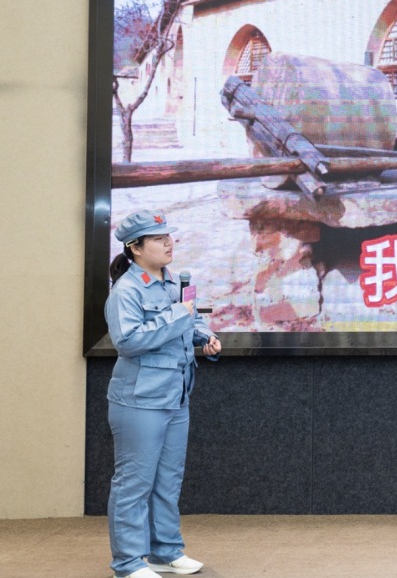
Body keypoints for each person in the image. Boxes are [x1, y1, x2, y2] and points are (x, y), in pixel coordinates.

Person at [105, 210, 221, 578]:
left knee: (168, 480)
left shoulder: (175, 282)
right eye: (158, 239)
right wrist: (177, 315)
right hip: (140, 400)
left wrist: (206, 336)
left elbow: (192, 319)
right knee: (134, 483)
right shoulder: (126, 290)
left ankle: (165, 552)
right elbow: (128, 341)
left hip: (176, 395)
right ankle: (128, 562)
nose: (169, 243)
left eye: (168, 236)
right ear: (135, 248)